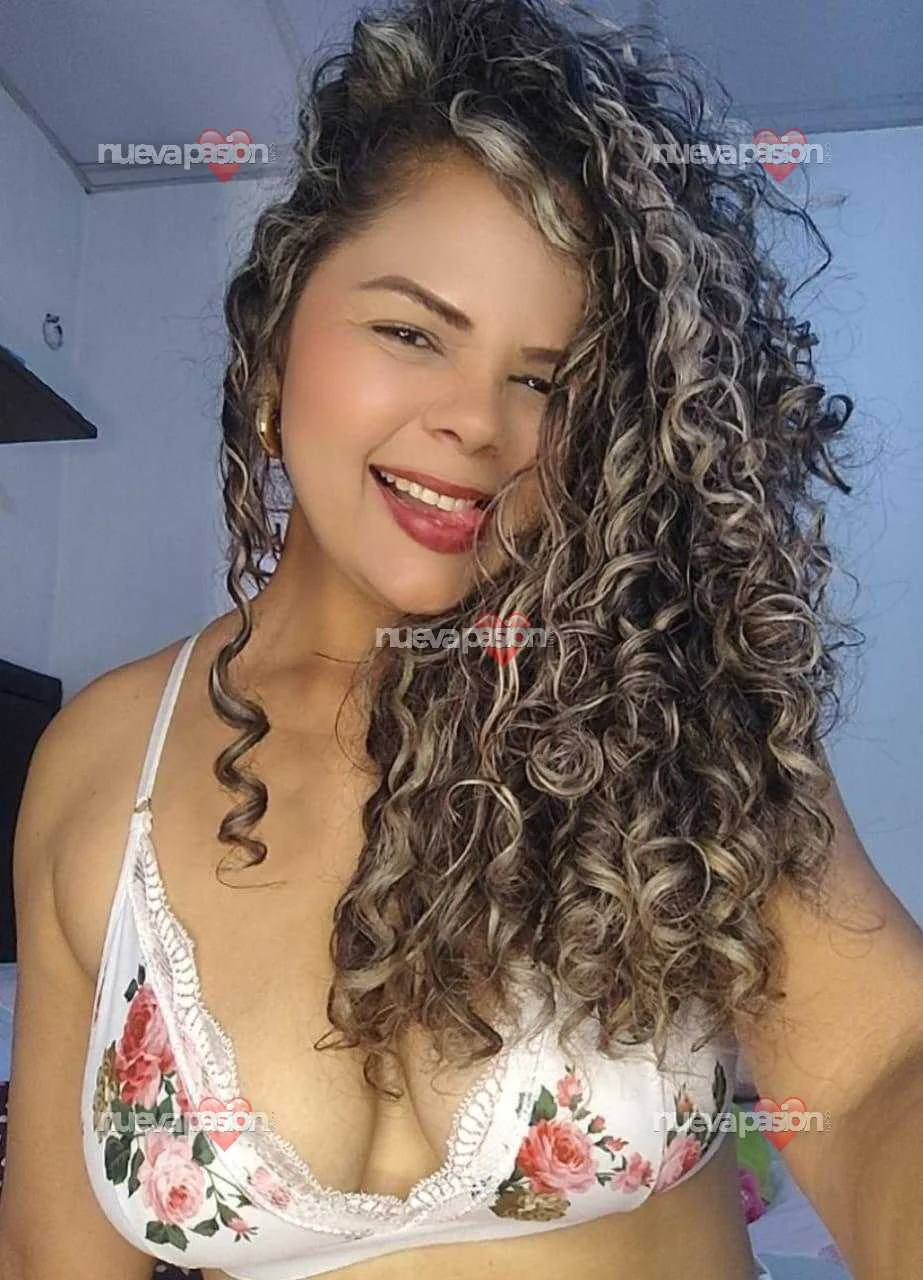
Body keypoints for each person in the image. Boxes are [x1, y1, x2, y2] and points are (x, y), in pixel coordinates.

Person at [1, 1, 922, 1278]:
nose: (478, 422)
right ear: (271, 347)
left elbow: (878, 1069)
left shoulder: (674, 702)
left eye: (545, 378)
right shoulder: (101, 759)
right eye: (411, 331)